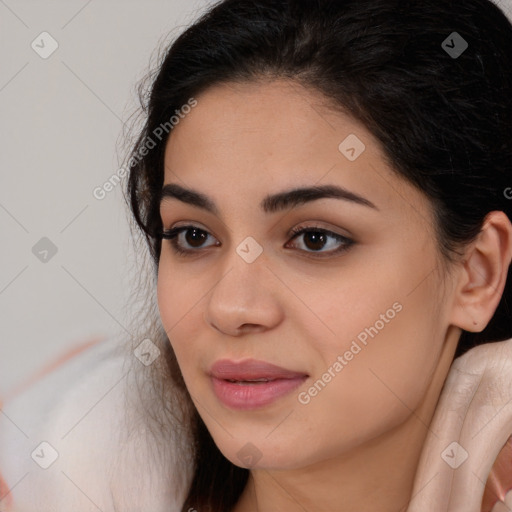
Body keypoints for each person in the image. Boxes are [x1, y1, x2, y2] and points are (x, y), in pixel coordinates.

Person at [1, 0, 512, 511]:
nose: (231, 308)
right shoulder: (53, 476)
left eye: (316, 239)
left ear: (477, 273)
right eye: (194, 236)